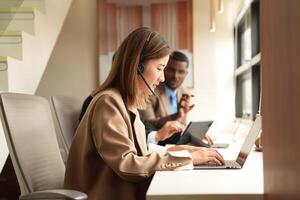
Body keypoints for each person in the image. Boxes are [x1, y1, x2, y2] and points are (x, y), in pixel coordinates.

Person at [64, 27, 224, 200]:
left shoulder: (127, 102)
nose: (163, 78)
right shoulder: (108, 102)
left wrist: (185, 151)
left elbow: (142, 151)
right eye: (160, 68)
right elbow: (128, 164)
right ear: (138, 66)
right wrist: (189, 159)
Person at [140, 51, 213, 145]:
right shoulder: (150, 90)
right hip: (155, 145)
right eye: (171, 70)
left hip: (175, 144)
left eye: (181, 72)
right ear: (164, 69)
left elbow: (181, 126)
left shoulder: (185, 92)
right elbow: (148, 124)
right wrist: (177, 115)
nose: (175, 76)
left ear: (186, 73)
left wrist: (194, 135)